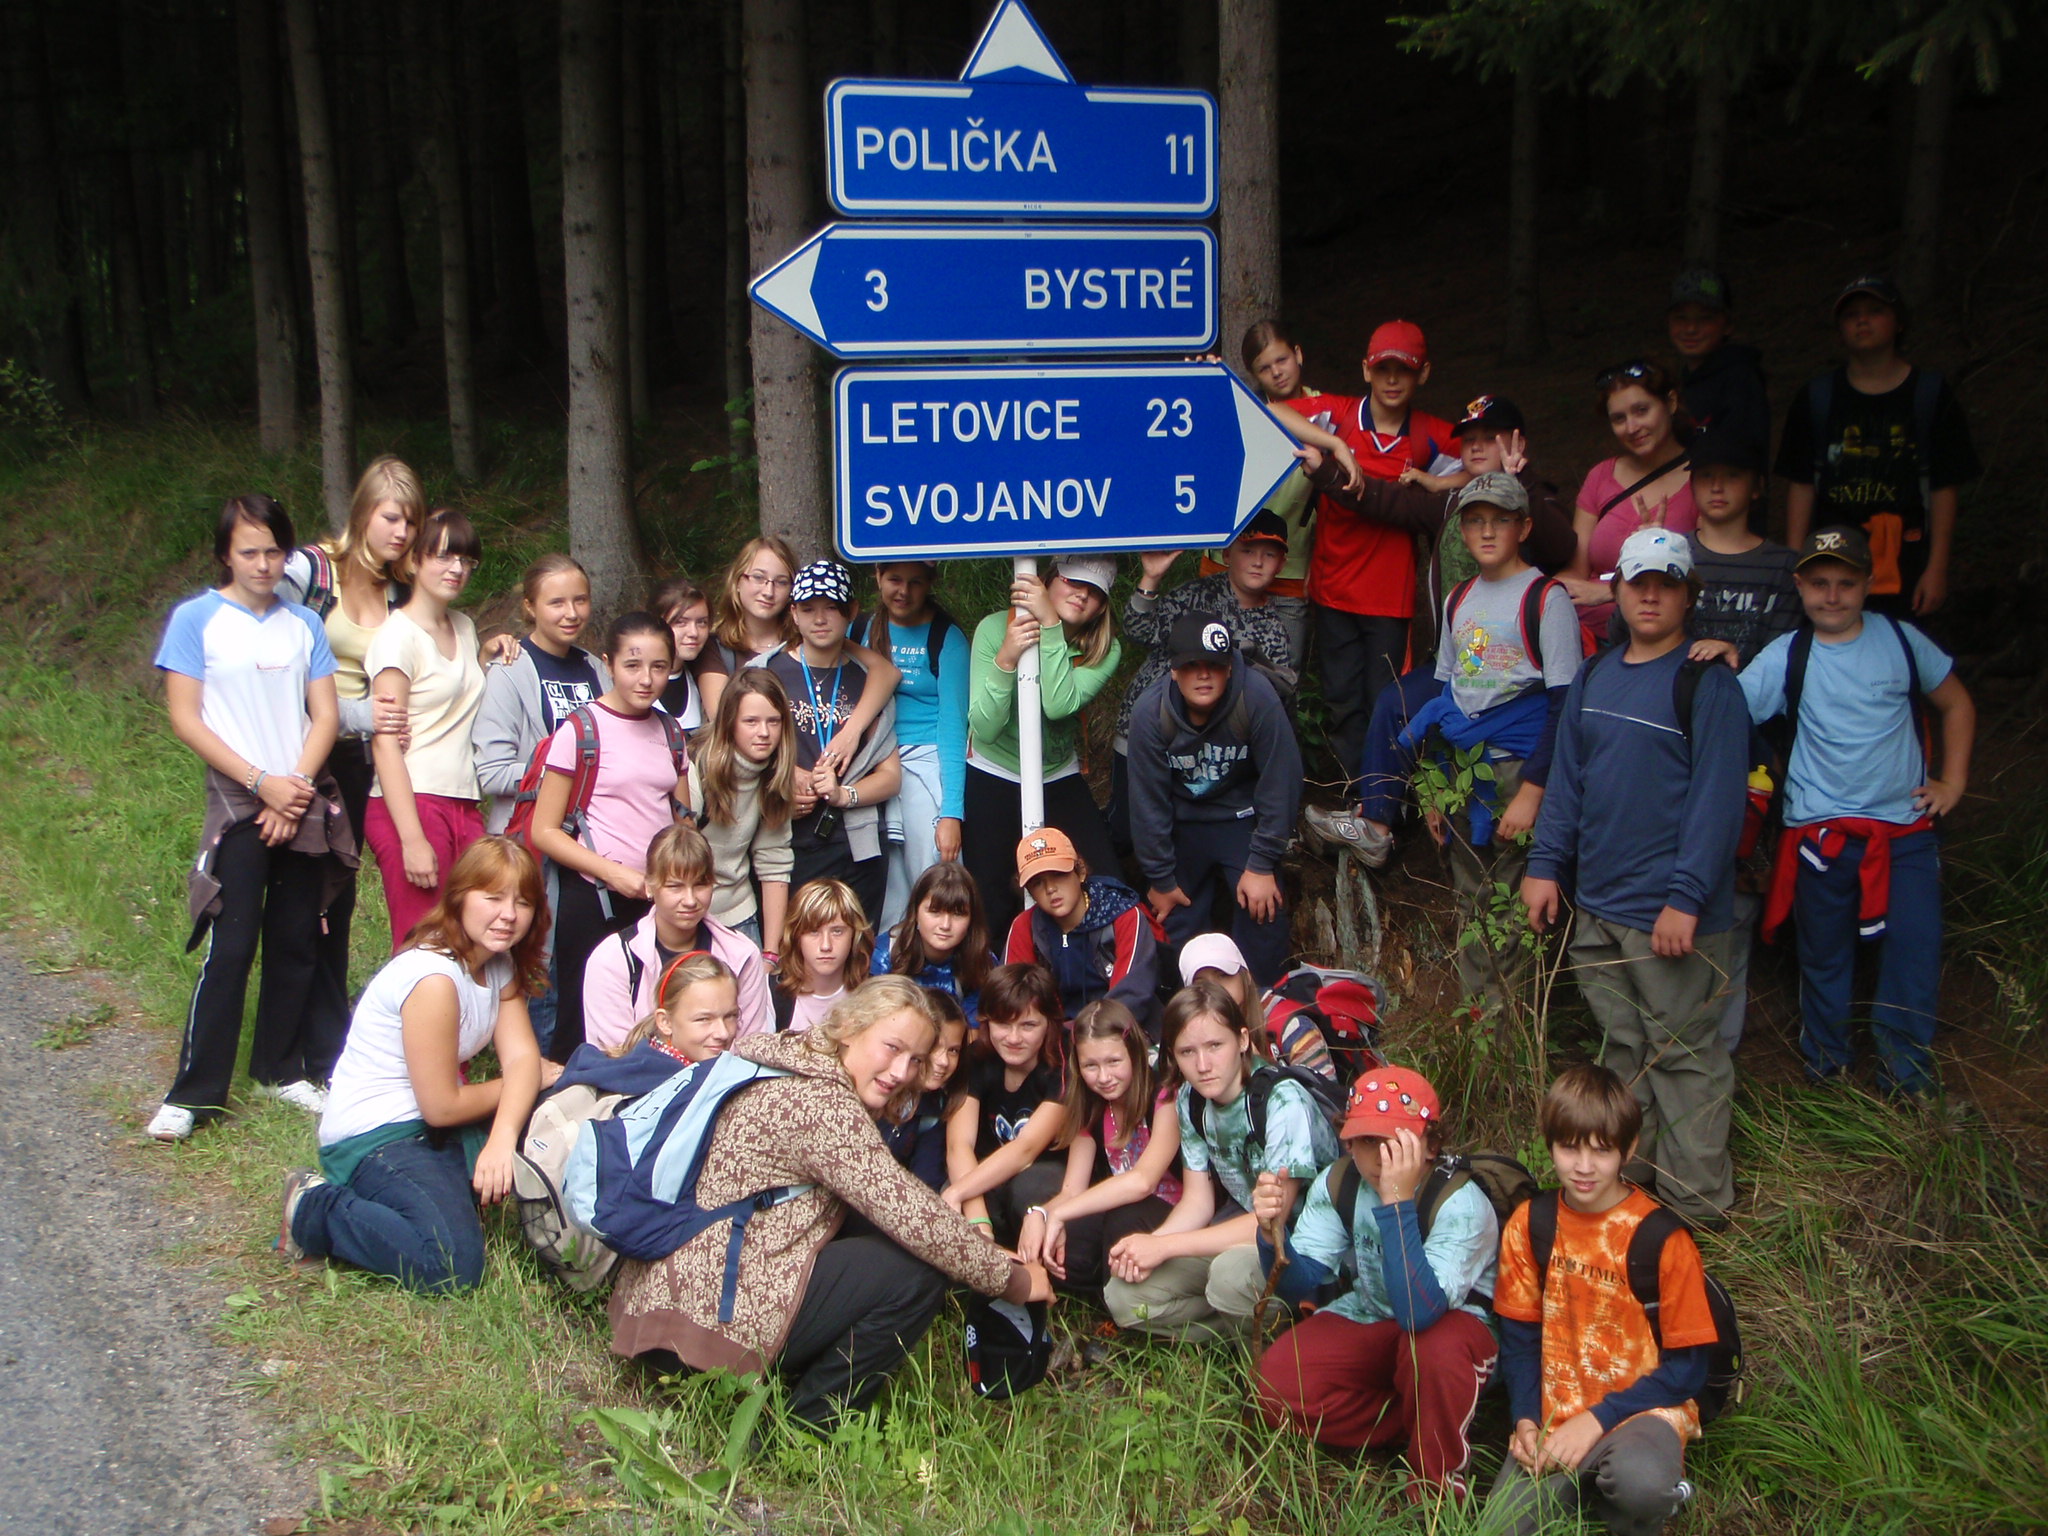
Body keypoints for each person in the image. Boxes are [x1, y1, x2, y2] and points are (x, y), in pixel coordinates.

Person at [606, 975, 1050, 1432]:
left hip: (667, 1306)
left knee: (880, 1229)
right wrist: (1014, 1280)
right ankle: (805, 1430)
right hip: (706, 1330)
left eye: (915, 1059)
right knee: (919, 1272)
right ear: (851, 1028)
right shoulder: (823, 1105)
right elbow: (912, 1214)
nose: (901, 1071)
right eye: (892, 1047)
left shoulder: (789, 1057)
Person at [1522, 529, 1748, 1228]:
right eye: (1638, 581)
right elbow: (1568, 780)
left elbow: (1718, 802)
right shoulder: (1596, 674)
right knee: (1623, 1051)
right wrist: (1544, 864)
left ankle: (1696, 1209)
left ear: (1688, 595)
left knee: (1686, 1056)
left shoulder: (1707, 683)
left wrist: (1685, 898)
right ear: (1616, 588)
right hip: (1599, 906)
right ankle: (1634, 1192)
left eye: (1667, 583)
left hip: (1671, 915)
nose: (1650, 595)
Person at [1733, 525, 1974, 1096]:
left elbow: (1957, 703)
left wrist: (1953, 782)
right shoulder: (1789, 654)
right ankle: (1828, 1073)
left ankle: (1906, 1082)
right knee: (1824, 956)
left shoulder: (1900, 640)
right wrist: (1721, 662)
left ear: (1868, 584)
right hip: (1819, 835)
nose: (1832, 595)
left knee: (1912, 950)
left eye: (1845, 582)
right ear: (1800, 586)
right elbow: (1729, 712)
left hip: (1904, 831)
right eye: (1819, 583)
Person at [147, 494, 352, 1142]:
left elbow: (325, 714)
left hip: (299, 795)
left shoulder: (304, 624)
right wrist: (262, 784)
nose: (263, 564)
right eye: (249, 552)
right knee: (230, 945)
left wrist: (294, 789)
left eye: (274, 551)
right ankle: (193, 1093)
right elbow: (186, 718)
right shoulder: (196, 620)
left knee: (296, 940)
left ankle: (278, 1070)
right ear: (225, 555)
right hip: (239, 801)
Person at [1300, 395, 1577, 867]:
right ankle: (1377, 821)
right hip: (1460, 663)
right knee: (1395, 703)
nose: (1476, 446)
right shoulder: (1450, 504)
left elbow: (1559, 544)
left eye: (1488, 437)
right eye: (1468, 439)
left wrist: (1523, 481)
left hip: (1515, 686)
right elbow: (1385, 500)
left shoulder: (1535, 503)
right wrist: (1327, 472)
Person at [277, 836, 546, 1294]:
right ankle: (312, 1207)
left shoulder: (498, 965)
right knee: (452, 1266)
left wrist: (503, 1137)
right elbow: (443, 1106)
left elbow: (523, 1058)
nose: (508, 914)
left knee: (549, 1099)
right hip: (377, 1134)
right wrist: (525, 1080)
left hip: (430, 1127)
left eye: (522, 902)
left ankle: (435, 1192)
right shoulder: (434, 977)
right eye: (493, 897)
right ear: (460, 897)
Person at [1485, 1065, 1720, 1536]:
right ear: (1550, 1144)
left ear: (1628, 1150)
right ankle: (1589, 1493)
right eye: (1570, 1147)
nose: (1584, 1167)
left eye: (1601, 1150)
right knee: (1500, 1530)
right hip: (1556, 1418)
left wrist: (1598, 1419)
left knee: (1641, 1485)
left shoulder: (1662, 1239)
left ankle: (1645, 1498)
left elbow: (1689, 1369)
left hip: (1643, 1412)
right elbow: (1520, 1340)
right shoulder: (1531, 1224)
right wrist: (1526, 1420)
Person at [1254, 1067, 1499, 1498]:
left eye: (1397, 1141)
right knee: (1277, 1383)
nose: (1381, 1157)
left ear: (1430, 1146)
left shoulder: (1462, 1205)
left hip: (1451, 1330)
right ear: (1348, 1142)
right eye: (1367, 1141)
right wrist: (1272, 1233)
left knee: (1431, 1351)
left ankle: (1436, 1491)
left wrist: (1397, 1203)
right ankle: (1417, 1420)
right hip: (1374, 1314)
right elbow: (1300, 1283)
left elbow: (1420, 1312)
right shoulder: (1341, 1181)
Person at [1394, 473, 1589, 1007]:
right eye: (1475, 520)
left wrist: (1533, 791)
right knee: (1470, 899)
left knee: (1513, 906)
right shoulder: (1459, 598)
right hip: (1464, 769)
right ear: (1460, 531)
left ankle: (1512, 1032)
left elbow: (1564, 704)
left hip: (1516, 768)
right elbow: (1447, 694)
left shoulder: (1545, 598)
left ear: (1523, 527)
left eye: (1500, 520)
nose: (1486, 531)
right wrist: (1433, 786)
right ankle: (1477, 1018)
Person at [1103, 979, 1340, 1339]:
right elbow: (1197, 1202)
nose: (1203, 1065)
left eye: (1215, 1046)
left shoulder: (1283, 1101)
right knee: (1123, 1297)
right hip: (1240, 1237)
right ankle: (1235, 1329)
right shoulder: (1191, 1098)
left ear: (1242, 1040)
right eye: (1187, 1052)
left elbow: (1272, 1224)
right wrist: (1147, 1246)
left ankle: (1285, 1332)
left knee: (1228, 1277)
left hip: (1298, 1248)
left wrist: (1164, 1246)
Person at [1308, 320, 1469, 794]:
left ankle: (1382, 801)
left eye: (1405, 369)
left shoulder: (1429, 434)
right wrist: (1335, 445)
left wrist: (1436, 482)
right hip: (1333, 588)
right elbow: (1272, 411)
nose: (1393, 379)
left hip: (1389, 599)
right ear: (1366, 370)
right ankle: (1350, 794)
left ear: (1424, 374)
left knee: (1386, 702)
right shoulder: (1339, 416)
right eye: (1383, 369)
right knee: (1341, 702)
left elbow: (1487, 466)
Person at [525, 612, 689, 1061]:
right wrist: (613, 874)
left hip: (653, 898)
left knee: (651, 1008)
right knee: (580, 1016)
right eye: (632, 665)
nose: (646, 679)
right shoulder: (581, 730)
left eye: (659, 667)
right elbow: (544, 830)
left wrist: (681, 882)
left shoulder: (671, 731)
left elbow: (682, 822)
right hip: (591, 897)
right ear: (608, 664)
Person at [1776, 274, 1979, 618]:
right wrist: (1795, 562)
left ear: (1899, 322)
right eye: (1851, 315)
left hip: (1907, 556)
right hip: (1829, 556)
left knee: (1900, 644)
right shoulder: (1817, 397)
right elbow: (1800, 483)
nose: (1862, 321)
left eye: (1875, 311)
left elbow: (1945, 486)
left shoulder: (1929, 395)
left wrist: (1937, 567)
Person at [1126, 612, 1303, 988]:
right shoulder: (1151, 712)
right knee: (1174, 917)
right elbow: (1146, 803)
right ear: (1174, 671)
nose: (1203, 675)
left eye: (1214, 666)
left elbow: (1281, 780)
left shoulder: (1256, 696)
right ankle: (1185, 1006)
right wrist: (1160, 877)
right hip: (1182, 823)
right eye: (1192, 666)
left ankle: (1264, 1002)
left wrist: (1262, 862)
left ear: (1229, 668)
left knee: (1264, 910)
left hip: (1241, 817)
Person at [1110, 511, 1296, 853]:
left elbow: (1277, 699)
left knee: (1185, 837)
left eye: (1269, 554)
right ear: (1227, 554)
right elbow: (1139, 630)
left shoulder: (1273, 629)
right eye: (1248, 550)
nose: (1258, 562)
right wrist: (1151, 578)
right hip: (1149, 731)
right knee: (1126, 830)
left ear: (1282, 563)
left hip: (1213, 753)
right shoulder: (1195, 596)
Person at [963, 556, 1122, 939]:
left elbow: (1058, 703)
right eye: (1073, 582)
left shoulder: (1104, 648)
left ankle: (1097, 961)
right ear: (1049, 578)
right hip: (994, 769)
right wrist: (1006, 658)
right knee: (991, 896)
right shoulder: (995, 627)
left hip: (1056, 772)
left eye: (1095, 591)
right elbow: (984, 727)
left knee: (1105, 879)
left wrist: (1050, 626)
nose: (1082, 595)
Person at [364, 508, 489, 947]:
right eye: (443, 556)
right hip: (412, 800)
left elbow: (458, 696)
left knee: (472, 940)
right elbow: (384, 743)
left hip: (465, 801)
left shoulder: (465, 627)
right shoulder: (396, 636)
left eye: (466, 560)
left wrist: (490, 655)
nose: (456, 569)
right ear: (415, 560)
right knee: (424, 943)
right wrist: (412, 838)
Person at [1219, 318, 1369, 665]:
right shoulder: (1245, 408)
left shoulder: (1329, 411)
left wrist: (1319, 558)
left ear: (1298, 354)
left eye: (1282, 360)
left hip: (1292, 561)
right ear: (1254, 374)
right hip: (1231, 559)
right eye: (1264, 368)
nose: (1277, 373)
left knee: (1284, 671)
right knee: (1222, 668)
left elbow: (1337, 500)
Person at [764, 560, 902, 925]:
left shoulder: (867, 680)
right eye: (808, 609)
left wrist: (845, 795)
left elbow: (891, 776)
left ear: (851, 611)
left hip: (857, 845)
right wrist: (783, 778)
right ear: (793, 613)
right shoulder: (768, 673)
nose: (820, 619)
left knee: (856, 944)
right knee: (797, 944)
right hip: (788, 840)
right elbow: (738, 757)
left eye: (832, 608)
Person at [1017, 998, 1182, 1298]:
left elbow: (1143, 1181)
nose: (1104, 1077)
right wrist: (1039, 1213)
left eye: (1113, 1062)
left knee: (1124, 1219)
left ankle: (1122, 1298)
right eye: (1090, 1066)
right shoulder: (1092, 1106)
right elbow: (1072, 1190)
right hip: (1121, 1207)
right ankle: (1097, 1287)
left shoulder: (1163, 1093)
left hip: (1171, 1215)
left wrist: (1060, 1214)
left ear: (1134, 1054)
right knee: (1062, 1237)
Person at [582, 824, 771, 1052]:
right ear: (650, 886)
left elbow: (750, 1047)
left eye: (700, 885)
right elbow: (615, 1055)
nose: (690, 900)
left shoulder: (743, 955)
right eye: (675, 886)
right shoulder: (612, 959)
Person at [851, 560, 969, 928]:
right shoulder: (861, 629)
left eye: (915, 582)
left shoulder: (946, 638)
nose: (903, 591)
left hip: (926, 761)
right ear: (878, 577)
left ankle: (940, 953)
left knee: (933, 874)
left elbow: (953, 727)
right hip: (871, 760)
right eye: (894, 580)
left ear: (930, 583)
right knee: (887, 882)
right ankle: (890, 955)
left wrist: (951, 813)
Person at [475, 555, 609, 836]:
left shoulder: (597, 670)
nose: (571, 613)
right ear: (530, 607)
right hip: (526, 836)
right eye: (556, 603)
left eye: (580, 600)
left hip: (592, 834)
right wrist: (566, 772)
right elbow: (493, 773)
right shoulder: (509, 671)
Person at [1565, 360, 1698, 634]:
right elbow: (1575, 572)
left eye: (1641, 411)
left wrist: (1610, 591)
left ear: (1671, 403)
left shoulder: (1702, 479)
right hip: (1587, 635)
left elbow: (1708, 579)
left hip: (1663, 636)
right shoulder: (1601, 476)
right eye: (1619, 418)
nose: (1632, 427)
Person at [942, 962, 1068, 1246]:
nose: (1013, 1038)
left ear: (1050, 1024)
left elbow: (1027, 1148)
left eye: (1028, 1025)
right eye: (1002, 1024)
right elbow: (959, 1144)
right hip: (989, 1171)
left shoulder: (1063, 1062)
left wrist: (959, 1192)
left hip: (1046, 1176)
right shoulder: (976, 1057)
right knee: (952, 1189)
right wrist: (978, 1222)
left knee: (1026, 1188)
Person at [1002, 828, 1161, 1037]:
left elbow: (1131, 995)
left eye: (1058, 875)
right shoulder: (1025, 926)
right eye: (1037, 883)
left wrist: (1083, 1037)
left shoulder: (1124, 915)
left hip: (1122, 1032)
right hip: (1053, 1038)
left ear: (1080, 871)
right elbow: (1013, 997)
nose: (1050, 889)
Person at [684, 665, 797, 953]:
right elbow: (675, 855)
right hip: (689, 913)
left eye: (774, 721)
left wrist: (771, 953)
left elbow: (774, 862)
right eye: (751, 721)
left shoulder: (772, 774)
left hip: (738, 911)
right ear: (729, 722)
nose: (764, 733)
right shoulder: (697, 767)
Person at [1683, 430, 1802, 667]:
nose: (1717, 487)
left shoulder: (1784, 566)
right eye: (1706, 475)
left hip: (1755, 687)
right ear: (1692, 484)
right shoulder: (1674, 554)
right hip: (1677, 684)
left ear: (1757, 486)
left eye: (1732, 475)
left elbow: (1781, 657)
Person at [1178, 932, 1334, 1079]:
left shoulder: (1292, 1026)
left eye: (1223, 975)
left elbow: (1324, 1091)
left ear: (1246, 976)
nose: (1216, 988)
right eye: (1202, 983)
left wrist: (1263, 1071)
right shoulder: (1186, 1036)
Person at [1667, 269, 1771, 478]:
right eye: (1681, 318)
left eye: (1704, 318)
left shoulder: (1740, 380)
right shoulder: (1680, 381)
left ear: (1728, 325)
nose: (1691, 328)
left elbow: (1743, 458)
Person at [873, 861, 995, 1027]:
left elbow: (976, 1030)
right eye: (935, 912)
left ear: (971, 919)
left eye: (958, 914)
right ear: (915, 912)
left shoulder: (983, 962)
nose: (945, 925)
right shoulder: (884, 953)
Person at [880, 989, 967, 1190]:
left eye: (953, 1050)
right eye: (935, 1046)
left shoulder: (933, 1111)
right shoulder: (875, 1089)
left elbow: (926, 1182)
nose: (944, 1061)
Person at [774, 877, 874, 1032]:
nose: (826, 945)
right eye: (813, 932)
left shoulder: (873, 996)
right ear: (796, 936)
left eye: (837, 931)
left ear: (855, 935)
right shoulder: (772, 994)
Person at [615, 949, 741, 1065]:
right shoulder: (649, 1078)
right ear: (665, 1022)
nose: (723, 1033)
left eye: (730, 1016)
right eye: (704, 1019)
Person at [650, 575, 711, 727]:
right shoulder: (630, 682)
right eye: (681, 622)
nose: (694, 633)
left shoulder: (703, 679)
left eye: (702, 622)